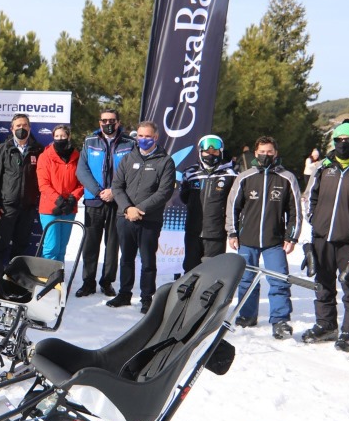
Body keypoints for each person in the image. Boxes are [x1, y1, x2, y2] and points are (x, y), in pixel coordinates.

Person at [301, 120, 349, 351]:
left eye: (348, 141)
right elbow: (310, 196)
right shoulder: (324, 167)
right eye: (338, 140)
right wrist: (313, 219)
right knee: (322, 284)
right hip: (322, 237)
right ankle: (326, 325)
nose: (342, 144)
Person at [225, 136, 302, 338]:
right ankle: (247, 316)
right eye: (262, 152)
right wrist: (232, 232)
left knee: (279, 281)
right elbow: (233, 206)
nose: (265, 155)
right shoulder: (245, 177)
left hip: (274, 241)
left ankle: (280, 321)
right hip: (247, 240)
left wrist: (291, 237)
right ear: (255, 153)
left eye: (269, 152)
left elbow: (295, 211)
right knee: (246, 280)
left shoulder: (287, 178)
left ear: (275, 153)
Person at [108, 121, 176, 313]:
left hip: (149, 220)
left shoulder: (165, 161)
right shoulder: (128, 158)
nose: (143, 139)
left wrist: (139, 209)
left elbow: (164, 192)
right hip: (125, 217)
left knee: (147, 260)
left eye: (147, 136)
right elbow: (117, 187)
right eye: (140, 136)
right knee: (126, 258)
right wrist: (128, 208)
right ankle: (124, 293)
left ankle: (147, 298)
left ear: (155, 137)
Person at [75, 109, 134, 297]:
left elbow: (131, 173)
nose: (108, 124)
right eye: (104, 120)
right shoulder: (89, 142)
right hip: (94, 200)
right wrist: (98, 191)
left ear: (118, 122)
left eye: (112, 121)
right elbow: (81, 170)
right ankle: (88, 282)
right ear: (99, 122)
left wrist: (114, 192)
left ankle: (107, 281)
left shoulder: (130, 144)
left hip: (118, 201)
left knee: (112, 244)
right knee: (90, 244)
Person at [178, 134, 238, 273]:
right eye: (207, 152)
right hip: (193, 231)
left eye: (214, 152)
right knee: (190, 269)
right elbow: (184, 197)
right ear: (200, 152)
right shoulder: (190, 173)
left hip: (216, 233)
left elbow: (235, 203)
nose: (210, 155)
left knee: (212, 271)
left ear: (220, 152)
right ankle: (190, 295)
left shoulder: (231, 174)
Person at [0, 113, 44, 262]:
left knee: (21, 244)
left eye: (25, 125)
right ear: (11, 129)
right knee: (1, 243)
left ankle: (14, 278)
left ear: (30, 127)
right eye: (18, 126)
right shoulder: (3, 149)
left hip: (28, 207)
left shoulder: (38, 150)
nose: (22, 128)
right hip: (7, 207)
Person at [36, 125, 83, 262]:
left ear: (68, 137)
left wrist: (72, 198)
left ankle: (58, 280)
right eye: (57, 136)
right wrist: (59, 201)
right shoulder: (45, 157)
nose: (60, 139)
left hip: (69, 207)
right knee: (51, 247)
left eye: (62, 136)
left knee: (62, 248)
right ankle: (46, 279)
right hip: (50, 209)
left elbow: (81, 182)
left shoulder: (77, 156)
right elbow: (43, 184)